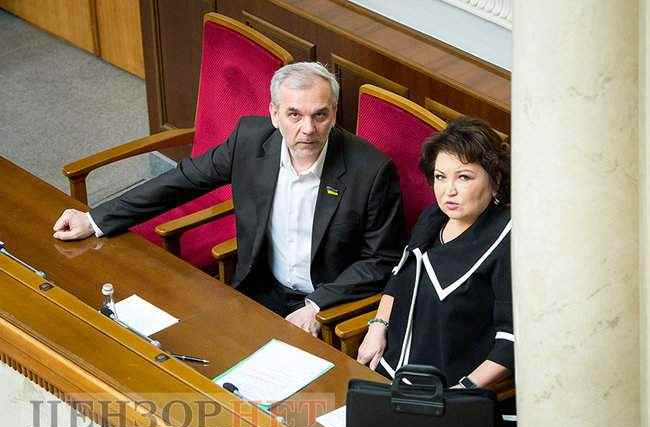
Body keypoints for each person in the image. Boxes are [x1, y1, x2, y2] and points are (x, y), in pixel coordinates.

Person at [52, 62, 406, 336]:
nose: (308, 129)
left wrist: (317, 306)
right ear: (274, 114)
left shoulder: (371, 170)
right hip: (259, 288)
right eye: (294, 115)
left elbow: (380, 259)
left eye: (320, 115)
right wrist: (96, 220)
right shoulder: (250, 140)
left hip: (330, 304)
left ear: (333, 115)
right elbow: (182, 181)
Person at [356, 116, 513, 389]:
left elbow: (510, 341)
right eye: (440, 177)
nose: (448, 191)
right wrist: (377, 326)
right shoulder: (433, 217)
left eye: (464, 177)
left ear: (496, 179)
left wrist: (461, 391)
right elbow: (399, 278)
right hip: (386, 370)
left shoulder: (507, 241)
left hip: (447, 393)